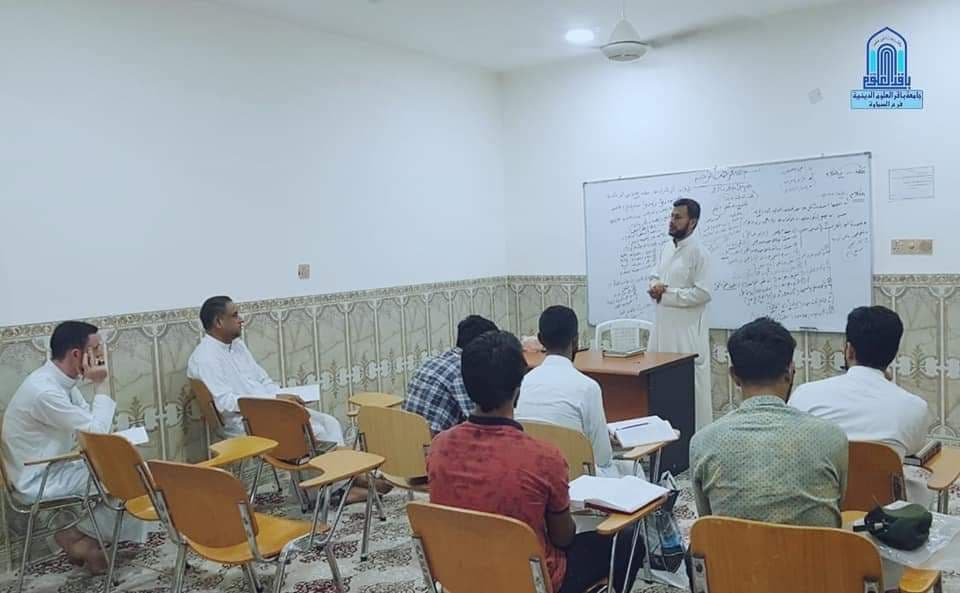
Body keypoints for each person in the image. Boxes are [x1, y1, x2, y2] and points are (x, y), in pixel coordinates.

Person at [428, 331, 645, 593]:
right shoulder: (543, 457)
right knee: (629, 542)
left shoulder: (439, 447)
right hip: (531, 581)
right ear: (518, 389)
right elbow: (563, 538)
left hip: (462, 575)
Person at [186, 296, 372, 503]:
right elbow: (225, 403)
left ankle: (338, 485)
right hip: (243, 423)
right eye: (235, 315)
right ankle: (332, 490)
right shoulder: (206, 358)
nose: (241, 319)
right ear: (219, 322)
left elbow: (262, 379)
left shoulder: (236, 346)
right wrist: (276, 400)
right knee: (314, 432)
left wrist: (283, 400)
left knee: (330, 423)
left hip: (269, 411)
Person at [2, 321, 144, 574]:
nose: (102, 355)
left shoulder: (61, 383)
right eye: (97, 349)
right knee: (131, 477)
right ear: (77, 354)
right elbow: (96, 433)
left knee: (131, 467)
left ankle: (84, 540)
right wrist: (101, 384)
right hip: (38, 479)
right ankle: (78, 539)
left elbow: (90, 428)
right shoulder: (44, 391)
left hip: (56, 467)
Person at [690, 317, 848, 528]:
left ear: (734, 376)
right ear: (790, 372)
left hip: (734, 550)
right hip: (815, 550)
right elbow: (838, 507)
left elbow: (707, 521)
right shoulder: (832, 437)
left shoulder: (703, 442)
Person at [790, 306, 932, 505]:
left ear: (849, 350)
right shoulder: (914, 407)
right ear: (893, 354)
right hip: (881, 513)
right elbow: (912, 449)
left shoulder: (805, 394)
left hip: (818, 509)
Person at [517, 305, 626, 478]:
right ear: (575, 340)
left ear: (540, 339)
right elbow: (603, 459)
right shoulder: (588, 387)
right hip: (577, 480)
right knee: (631, 470)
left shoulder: (523, 382)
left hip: (533, 475)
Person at [647, 198, 713, 430]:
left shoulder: (700, 253)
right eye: (671, 216)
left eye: (678, 217)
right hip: (662, 330)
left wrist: (667, 294)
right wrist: (654, 286)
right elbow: (655, 276)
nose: (672, 221)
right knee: (660, 387)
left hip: (687, 335)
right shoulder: (665, 249)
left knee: (689, 394)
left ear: (692, 222)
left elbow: (703, 293)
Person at [403, 315, 498, 434]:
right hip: (435, 442)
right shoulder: (464, 369)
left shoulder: (432, 361)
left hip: (406, 438)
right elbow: (480, 421)